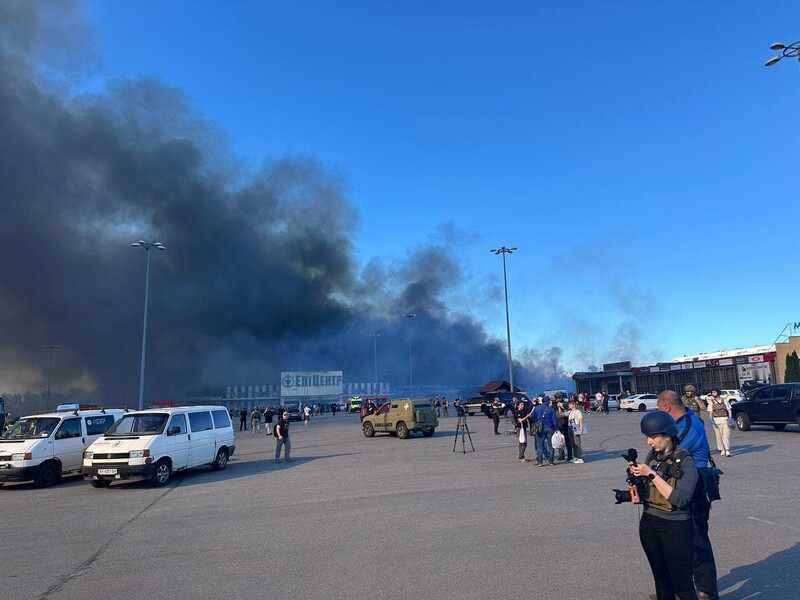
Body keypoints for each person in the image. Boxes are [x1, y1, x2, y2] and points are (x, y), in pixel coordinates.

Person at [629, 411, 699, 600]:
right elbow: (648, 489)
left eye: (652, 437)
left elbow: (680, 499)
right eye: (647, 437)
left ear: (668, 436)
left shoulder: (686, 461)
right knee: (662, 583)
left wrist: (651, 474)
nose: (648, 442)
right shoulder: (653, 456)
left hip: (675, 526)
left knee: (683, 585)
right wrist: (636, 481)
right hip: (650, 522)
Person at [657, 390, 718, 600]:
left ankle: (707, 591)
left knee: (697, 540)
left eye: (659, 409)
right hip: (678, 484)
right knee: (676, 541)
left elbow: (673, 453)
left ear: (666, 407)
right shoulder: (679, 424)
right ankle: (680, 588)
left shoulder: (690, 425)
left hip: (696, 485)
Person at [706, 389, 732, 457]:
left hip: (725, 419)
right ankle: (722, 449)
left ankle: (727, 450)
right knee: (718, 436)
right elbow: (710, 411)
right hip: (716, 420)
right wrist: (711, 419)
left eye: (714, 392)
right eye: (712, 392)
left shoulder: (724, 400)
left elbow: (729, 409)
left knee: (726, 435)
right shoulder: (711, 402)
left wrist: (730, 417)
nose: (713, 393)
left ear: (718, 393)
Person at [555, 395, 573, 461]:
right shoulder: (554, 405)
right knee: (559, 441)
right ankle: (561, 455)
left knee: (568, 441)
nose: (558, 399)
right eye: (557, 398)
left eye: (559, 398)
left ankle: (570, 455)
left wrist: (561, 406)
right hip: (559, 425)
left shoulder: (566, 404)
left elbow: (568, 409)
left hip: (566, 424)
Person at [567, 398, 584, 464]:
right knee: (572, 443)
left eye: (570, 404)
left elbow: (580, 421)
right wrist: (560, 407)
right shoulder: (570, 412)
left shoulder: (578, 411)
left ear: (573, 405)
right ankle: (575, 457)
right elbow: (562, 414)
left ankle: (580, 457)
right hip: (570, 427)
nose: (569, 406)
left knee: (577, 442)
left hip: (576, 426)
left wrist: (581, 429)